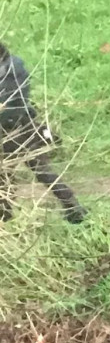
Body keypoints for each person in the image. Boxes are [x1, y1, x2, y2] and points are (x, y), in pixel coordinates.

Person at [0, 41, 86, 223]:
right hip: (20, 126)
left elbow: (11, 102)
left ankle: (4, 216)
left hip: (13, 129)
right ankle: (72, 205)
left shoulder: (9, 72)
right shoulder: (14, 66)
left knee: (9, 174)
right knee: (37, 170)